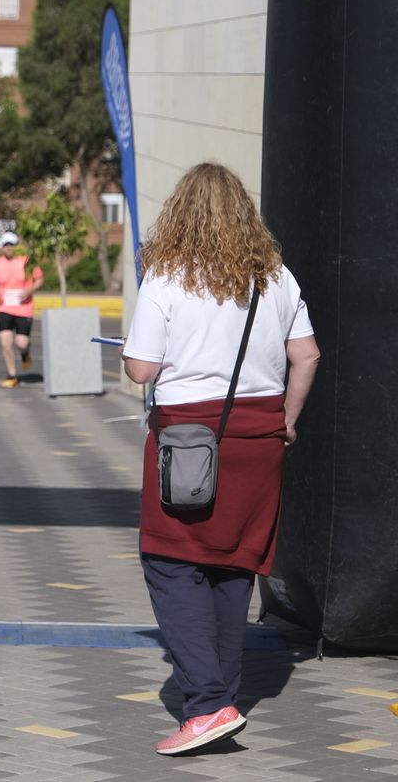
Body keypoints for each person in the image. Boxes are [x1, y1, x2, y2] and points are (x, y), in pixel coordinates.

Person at [120, 162, 320, 757]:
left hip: (189, 439)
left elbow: (141, 368)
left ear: (180, 212)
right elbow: (306, 356)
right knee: (235, 565)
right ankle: (220, 702)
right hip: (259, 437)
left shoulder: (167, 276)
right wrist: (287, 418)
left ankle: (207, 705)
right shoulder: (275, 277)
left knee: (171, 560)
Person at [0, 231, 43, 388]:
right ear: (2, 247)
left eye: (12, 244)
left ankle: (26, 354)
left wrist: (29, 291)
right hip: (4, 307)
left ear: (17, 246)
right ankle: (12, 375)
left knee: (22, 343)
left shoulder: (27, 261)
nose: (9, 248)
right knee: (6, 342)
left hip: (24, 308)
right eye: (6, 245)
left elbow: (39, 279)